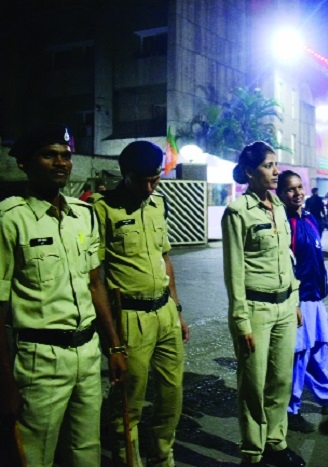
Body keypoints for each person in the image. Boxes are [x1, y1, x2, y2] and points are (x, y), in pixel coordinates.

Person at [0, 124, 127, 466]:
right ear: (24, 163)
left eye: (66, 156)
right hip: (40, 359)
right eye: (49, 155)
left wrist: (114, 347)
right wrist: (5, 384)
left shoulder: (82, 215)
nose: (61, 163)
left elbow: (95, 285)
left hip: (87, 353)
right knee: (35, 455)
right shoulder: (10, 220)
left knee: (86, 451)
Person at [90, 141, 189, 467]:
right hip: (130, 317)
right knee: (127, 404)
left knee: (171, 396)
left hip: (165, 312)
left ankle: (162, 458)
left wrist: (177, 310)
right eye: (142, 181)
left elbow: (165, 260)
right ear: (125, 174)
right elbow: (95, 279)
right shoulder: (103, 208)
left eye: (155, 179)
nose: (149, 188)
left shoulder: (158, 204)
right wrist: (112, 342)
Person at [222, 141, 305, 466]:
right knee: (253, 385)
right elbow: (234, 272)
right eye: (268, 165)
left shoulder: (279, 207)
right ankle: (252, 452)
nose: (276, 171)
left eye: (275, 164)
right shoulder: (237, 212)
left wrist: (294, 299)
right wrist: (240, 320)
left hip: (285, 307)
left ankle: (276, 443)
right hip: (255, 310)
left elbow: (287, 258)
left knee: (281, 380)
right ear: (249, 172)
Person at [275, 171, 328, 433]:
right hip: (297, 299)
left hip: (316, 296)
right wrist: (293, 301)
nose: (297, 193)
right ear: (280, 194)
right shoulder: (282, 223)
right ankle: (290, 410)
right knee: (299, 355)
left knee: (319, 349)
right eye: (290, 189)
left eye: (300, 187)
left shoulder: (310, 219)